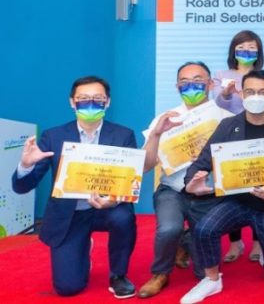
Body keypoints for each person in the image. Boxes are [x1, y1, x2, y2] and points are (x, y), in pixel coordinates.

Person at [180, 70, 264, 304]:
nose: (256, 96)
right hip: (236, 201)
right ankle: (211, 279)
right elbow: (201, 162)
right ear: (242, 94)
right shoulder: (228, 125)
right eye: (250, 91)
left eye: (263, 92)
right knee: (204, 229)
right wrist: (191, 183)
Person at [11, 75, 138, 298]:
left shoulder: (123, 135)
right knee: (67, 288)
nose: (91, 104)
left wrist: (114, 199)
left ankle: (118, 275)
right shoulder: (53, 136)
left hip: (107, 209)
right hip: (70, 214)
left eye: (98, 98)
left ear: (107, 102)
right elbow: (22, 187)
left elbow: (129, 181)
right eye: (83, 98)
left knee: (123, 217)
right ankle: (82, 252)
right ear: (72, 102)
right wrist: (26, 165)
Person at [137, 62, 234, 298]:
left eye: (198, 80)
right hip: (173, 190)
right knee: (169, 228)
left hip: (209, 194)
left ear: (210, 84)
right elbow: (146, 165)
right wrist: (157, 134)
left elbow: (235, 164)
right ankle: (160, 273)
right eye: (185, 82)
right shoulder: (165, 119)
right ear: (177, 86)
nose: (191, 86)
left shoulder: (227, 118)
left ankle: (187, 241)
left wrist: (208, 160)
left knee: (204, 273)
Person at [211, 30, 264, 264]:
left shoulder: (263, 77)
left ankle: (257, 241)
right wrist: (227, 94)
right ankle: (235, 241)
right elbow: (218, 105)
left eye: (251, 48)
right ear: (233, 50)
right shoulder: (221, 75)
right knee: (232, 189)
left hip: (258, 139)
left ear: (259, 52)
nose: (246, 51)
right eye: (242, 47)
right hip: (231, 139)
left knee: (259, 188)